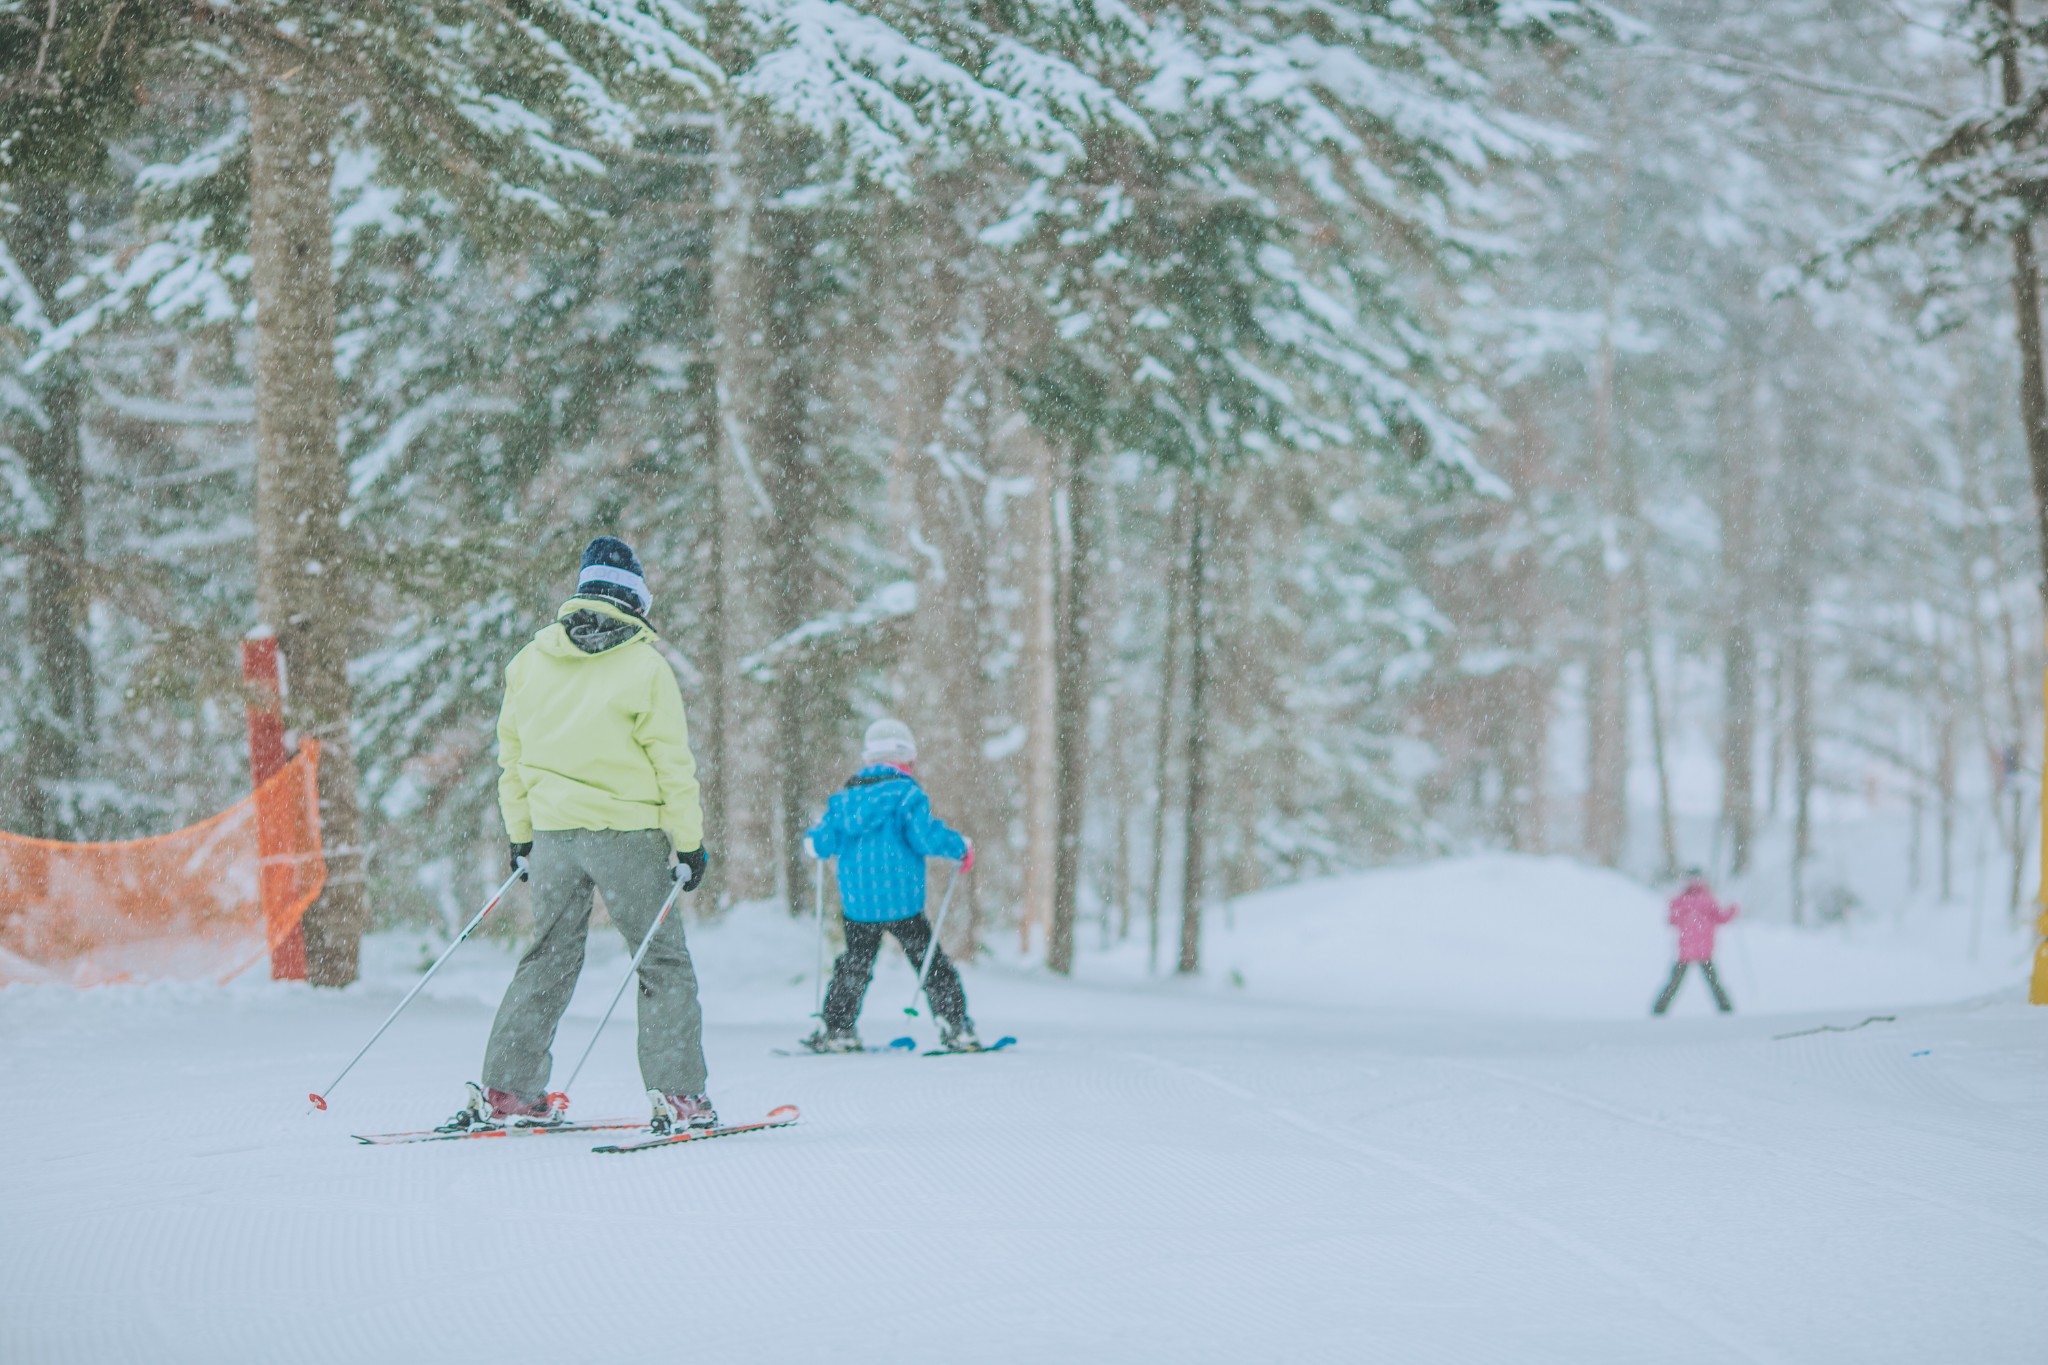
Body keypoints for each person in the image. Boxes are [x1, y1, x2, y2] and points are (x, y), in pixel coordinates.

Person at [439, 536, 715, 1134]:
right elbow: (674, 765)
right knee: (661, 962)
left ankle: (509, 1090)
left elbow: (509, 759)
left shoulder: (530, 661)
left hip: (555, 836)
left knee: (546, 960)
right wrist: (688, 843)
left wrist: (522, 837)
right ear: (636, 599)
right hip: (628, 834)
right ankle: (680, 1096)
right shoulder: (644, 666)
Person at [800, 719, 981, 1053]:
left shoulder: (844, 802)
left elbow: (822, 843)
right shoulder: (907, 795)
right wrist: (960, 847)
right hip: (903, 902)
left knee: (855, 963)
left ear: (869, 760)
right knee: (930, 962)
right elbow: (926, 836)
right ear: (907, 761)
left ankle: (837, 1028)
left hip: (859, 903)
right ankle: (955, 1025)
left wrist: (812, 842)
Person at [1652, 870, 1738, 1015]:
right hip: (1702, 950)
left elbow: (1672, 920)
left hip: (1687, 950)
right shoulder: (1707, 899)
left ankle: (1659, 1008)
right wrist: (1732, 911)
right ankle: (1726, 1009)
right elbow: (1721, 918)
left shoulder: (1682, 900)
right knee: (1713, 983)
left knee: (1675, 983)